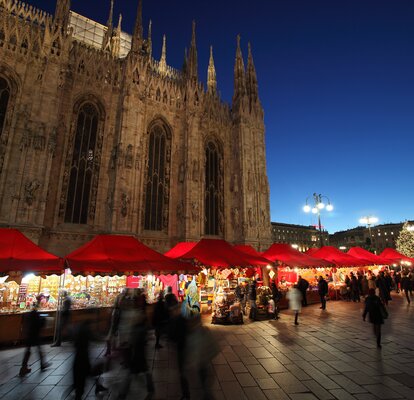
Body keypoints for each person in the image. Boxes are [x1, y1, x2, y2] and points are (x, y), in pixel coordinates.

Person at [19, 301, 50, 377]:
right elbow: (40, 324)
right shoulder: (36, 314)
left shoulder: (28, 314)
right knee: (38, 349)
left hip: (28, 334)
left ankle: (24, 367)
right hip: (34, 335)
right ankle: (42, 364)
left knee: (28, 350)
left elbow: (23, 323)